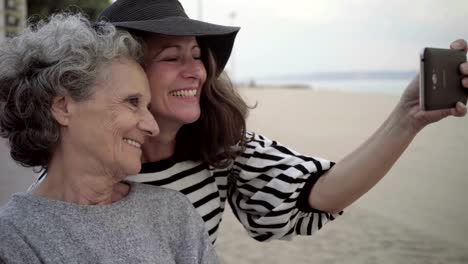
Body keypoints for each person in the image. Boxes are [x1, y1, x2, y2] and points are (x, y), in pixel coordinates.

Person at [91, 0, 466, 246]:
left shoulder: (220, 146)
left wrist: (408, 116)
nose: (195, 72)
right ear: (126, 73)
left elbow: (318, 192)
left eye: (196, 55)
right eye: (172, 58)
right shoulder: (84, 162)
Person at [0, 13, 219, 263]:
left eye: (147, 106)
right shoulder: (13, 238)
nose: (151, 126)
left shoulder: (174, 212)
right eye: (132, 102)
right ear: (63, 107)